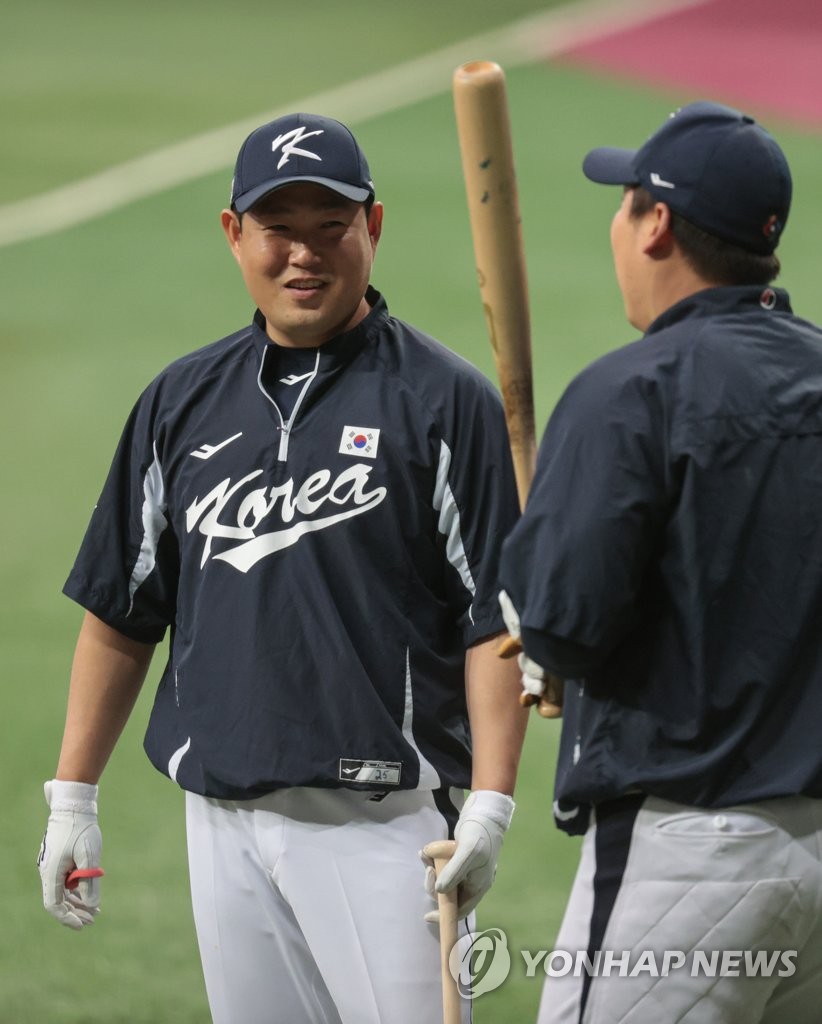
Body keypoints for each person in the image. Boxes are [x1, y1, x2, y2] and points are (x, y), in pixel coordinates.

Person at [37, 112, 528, 1024]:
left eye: (330, 227)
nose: (305, 255)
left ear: (372, 229)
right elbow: (122, 607)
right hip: (220, 819)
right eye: (280, 230)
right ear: (235, 236)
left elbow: (492, 621)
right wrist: (73, 796)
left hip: (386, 828)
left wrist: (491, 803)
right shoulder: (179, 404)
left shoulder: (441, 400)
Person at [498, 100, 822, 1023]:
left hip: (693, 856)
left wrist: (534, 609)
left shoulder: (628, 392)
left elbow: (563, 620)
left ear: (658, 225)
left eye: (625, 200)